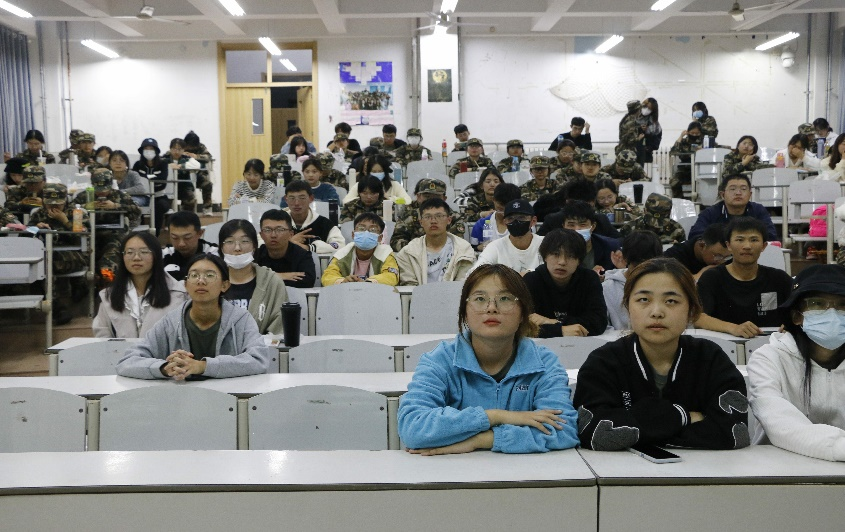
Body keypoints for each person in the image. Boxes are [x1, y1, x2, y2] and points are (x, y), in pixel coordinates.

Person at [398, 264, 579, 455]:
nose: (491, 308)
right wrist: (494, 416)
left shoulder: (544, 363)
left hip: (524, 471)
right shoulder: (439, 360)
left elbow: (564, 430)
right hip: (453, 471)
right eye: (480, 299)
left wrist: (483, 440)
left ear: (523, 313)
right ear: (464, 312)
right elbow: (413, 428)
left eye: (505, 299)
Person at [574, 257, 749, 451]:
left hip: (702, 468)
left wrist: (636, 429)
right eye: (644, 300)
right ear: (628, 308)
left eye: (671, 301)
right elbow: (596, 433)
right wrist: (684, 416)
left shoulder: (710, 358)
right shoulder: (603, 362)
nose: (656, 312)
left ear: (691, 310)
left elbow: (733, 433)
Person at [116, 253, 271, 380]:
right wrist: (164, 368)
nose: (201, 281)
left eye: (209, 275)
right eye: (194, 275)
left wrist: (203, 366)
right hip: (182, 400)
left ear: (224, 285)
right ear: (185, 285)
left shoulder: (241, 319)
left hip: (230, 399)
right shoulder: (171, 322)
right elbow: (126, 362)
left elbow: (259, 360)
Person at [747, 264, 845, 461]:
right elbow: (780, 422)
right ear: (797, 316)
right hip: (780, 469)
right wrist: (838, 447)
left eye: (843, 305)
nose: (832, 313)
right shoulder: (768, 358)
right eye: (817, 304)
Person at [695, 217, 792, 338]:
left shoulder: (779, 279)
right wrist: (734, 328)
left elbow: (801, 312)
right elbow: (698, 318)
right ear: (728, 245)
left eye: (754, 240)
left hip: (772, 345)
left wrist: (791, 324)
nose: (747, 246)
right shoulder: (712, 278)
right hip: (724, 345)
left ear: (764, 246)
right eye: (740, 240)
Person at [93, 231, 187, 338]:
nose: (136, 257)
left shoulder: (178, 293)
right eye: (129, 252)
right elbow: (102, 335)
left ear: (156, 255)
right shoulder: (109, 296)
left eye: (144, 252)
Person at [522, 228, 608, 337]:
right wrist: (561, 330)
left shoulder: (589, 279)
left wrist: (553, 322)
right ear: (545, 257)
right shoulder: (531, 280)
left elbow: (599, 322)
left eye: (570, 256)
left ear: (579, 260)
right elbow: (524, 325)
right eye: (556, 254)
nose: (562, 262)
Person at [28, 183, 89, 325]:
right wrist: (36, 228)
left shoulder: (76, 213)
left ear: (65, 201)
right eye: (50, 204)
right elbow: (26, 235)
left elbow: (83, 238)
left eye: (58, 204)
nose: (53, 207)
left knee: (45, 263)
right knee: (40, 264)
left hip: (74, 255)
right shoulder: (39, 214)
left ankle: (58, 305)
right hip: (46, 255)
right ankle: (56, 307)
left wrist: (65, 221)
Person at [217, 219, 288, 335]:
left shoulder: (271, 282)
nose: (237, 248)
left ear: (254, 246)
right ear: (221, 248)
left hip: (263, 345)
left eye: (244, 241)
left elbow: (279, 325)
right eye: (229, 242)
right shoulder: (212, 281)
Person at [72, 168, 142, 278]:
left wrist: (116, 206)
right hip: (89, 234)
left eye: (105, 189)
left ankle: (108, 278)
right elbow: (69, 210)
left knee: (111, 256)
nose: (102, 192)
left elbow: (137, 211)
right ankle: (89, 282)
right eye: (98, 189)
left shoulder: (119, 195)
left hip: (113, 233)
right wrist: (85, 207)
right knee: (84, 256)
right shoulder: (85, 196)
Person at [395, 198, 475, 285]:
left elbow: (463, 285)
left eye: (439, 216)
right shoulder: (408, 252)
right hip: (418, 294)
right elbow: (409, 286)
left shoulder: (464, 249)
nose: (433, 221)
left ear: (449, 220)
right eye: (428, 217)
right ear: (421, 222)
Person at [687, 174, 778, 242]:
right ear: (722, 195)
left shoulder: (758, 210)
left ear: (750, 194)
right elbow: (696, 235)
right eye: (732, 189)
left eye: (743, 189)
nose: (738, 193)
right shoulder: (710, 213)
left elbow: (771, 235)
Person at [602, 230, 663, 330]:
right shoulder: (607, 288)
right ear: (625, 259)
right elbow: (604, 327)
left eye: (649, 266)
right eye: (637, 265)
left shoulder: (668, 284)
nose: (643, 271)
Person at [321, 212, 399, 286]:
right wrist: (343, 281)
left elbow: (391, 276)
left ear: (380, 238)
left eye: (373, 230)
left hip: (377, 294)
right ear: (353, 234)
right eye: (361, 228)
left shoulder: (385, 254)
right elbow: (328, 276)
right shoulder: (342, 254)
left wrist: (368, 283)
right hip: (346, 293)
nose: (366, 233)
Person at [390, 178, 466, 252]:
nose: (431, 200)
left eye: (436, 197)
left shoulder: (454, 217)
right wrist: (420, 250)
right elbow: (396, 242)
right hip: (414, 256)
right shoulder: (408, 216)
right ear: (418, 197)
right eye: (427, 196)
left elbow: (457, 243)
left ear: (444, 198)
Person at [471, 199, 543, 275]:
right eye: (510, 218)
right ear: (505, 222)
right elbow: (475, 273)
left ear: (533, 221)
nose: (516, 222)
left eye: (521, 218)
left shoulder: (545, 244)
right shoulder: (495, 247)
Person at [538, 178, 621, 239]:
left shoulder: (601, 220)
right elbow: (539, 243)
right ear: (567, 202)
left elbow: (619, 240)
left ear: (593, 203)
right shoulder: (553, 221)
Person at [254, 209, 316, 288]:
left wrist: (264, 278)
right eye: (267, 230)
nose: (273, 235)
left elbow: (307, 282)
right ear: (261, 235)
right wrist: (279, 276)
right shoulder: (255, 255)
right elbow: (246, 279)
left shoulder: (302, 255)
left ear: (291, 234)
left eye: (280, 230)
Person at [282, 180, 345, 253]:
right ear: (286, 199)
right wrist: (289, 243)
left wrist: (310, 248)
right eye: (292, 198)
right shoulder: (277, 221)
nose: (296, 203)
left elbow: (340, 246)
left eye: (302, 198)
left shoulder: (324, 224)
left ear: (311, 198)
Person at [559, 200, 621, 274]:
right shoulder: (554, 248)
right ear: (563, 226)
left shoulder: (610, 247)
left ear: (593, 226)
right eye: (571, 225)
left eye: (583, 225)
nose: (577, 229)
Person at [162, 210, 218, 282]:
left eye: (187, 238)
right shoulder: (164, 254)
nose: (181, 243)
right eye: (175, 238)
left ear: (200, 233)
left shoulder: (213, 253)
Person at [663, 223, 730, 280]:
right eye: (718, 256)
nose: (722, 261)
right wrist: (700, 275)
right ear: (702, 246)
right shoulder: (674, 256)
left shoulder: (729, 257)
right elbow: (669, 283)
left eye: (727, 257)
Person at [132, 138, 170, 234]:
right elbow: (134, 180)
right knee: (135, 204)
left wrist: (146, 179)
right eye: (146, 149)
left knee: (159, 206)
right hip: (142, 197)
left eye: (151, 149)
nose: (148, 151)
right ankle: (141, 233)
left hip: (159, 197)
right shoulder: (137, 165)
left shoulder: (163, 164)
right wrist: (152, 179)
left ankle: (155, 235)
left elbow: (162, 181)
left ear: (156, 151)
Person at [619, 193, 686, 245]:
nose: (655, 225)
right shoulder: (629, 228)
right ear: (644, 210)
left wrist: (676, 249)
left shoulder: (677, 230)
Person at [469, 183, 521, 251]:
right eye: (501, 204)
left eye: (509, 205)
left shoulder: (523, 223)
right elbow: (471, 249)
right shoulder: (481, 224)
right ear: (494, 199)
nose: (505, 208)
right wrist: (479, 247)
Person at [343, 154, 411, 204]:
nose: (377, 174)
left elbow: (408, 201)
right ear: (368, 172)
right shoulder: (360, 185)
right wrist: (363, 199)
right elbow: (346, 201)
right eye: (374, 171)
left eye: (380, 171)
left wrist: (390, 198)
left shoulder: (394, 185)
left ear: (385, 172)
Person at [668, 121, 705, 198]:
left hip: (701, 169)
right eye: (692, 133)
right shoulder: (684, 141)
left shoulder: (705, 141)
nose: (694, 135)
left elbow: (714, 148)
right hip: (685, 170)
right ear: (688, 132)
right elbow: (673, 151)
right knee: (674, 182)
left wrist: (703, 150)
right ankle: (680, 201)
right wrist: (681, 136)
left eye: (697, 133)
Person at [182, 131, 214, 215]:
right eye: (189, 146)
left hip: (199, 175)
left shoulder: (201, 146)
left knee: (207, 184)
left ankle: (207, 208)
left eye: (193, 146)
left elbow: (208, 157)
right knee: (185, 188)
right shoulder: (181, 146)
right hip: (184, 176)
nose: (191, 148)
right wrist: (182, 154)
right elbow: (172, 154)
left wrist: (197, 156)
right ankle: (187, 211)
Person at [161, 138, 198, 212]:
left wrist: (181, 166)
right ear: (170, 149)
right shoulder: (164, 158)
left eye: (179, 149)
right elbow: (158, 166)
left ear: (183, 150)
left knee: (190, 197)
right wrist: (168, 166)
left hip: (184, 187)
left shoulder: (187, 159)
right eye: (174, 149)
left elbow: (197, 165)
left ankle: (187, 215)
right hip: (167, 188)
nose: (177, 152)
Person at [636, 97, 662, 164]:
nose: (646, 110)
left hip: (645, 153)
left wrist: (647, 131)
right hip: (632, 150)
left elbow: (657, 139)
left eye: (650, 109)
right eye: (646, 107)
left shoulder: (654, 123)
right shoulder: (634, 117)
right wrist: (639, 129)